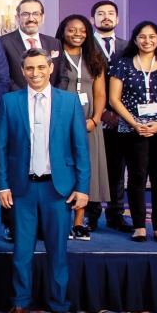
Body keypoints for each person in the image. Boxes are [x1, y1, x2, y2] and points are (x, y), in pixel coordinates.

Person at [0, 48, 89, 313]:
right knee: (22, 251)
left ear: (50, 68)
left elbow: (81, 149)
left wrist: (83, 188)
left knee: (57, 251)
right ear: (22, 71)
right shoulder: (10, 102)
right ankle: (21, 304)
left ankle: (59, 308)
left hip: (57, 188)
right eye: (29, 69)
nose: (35, 73)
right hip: (22, 188)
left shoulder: (69, 102)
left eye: (40, 67)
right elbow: (1, 147)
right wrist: (2, 185)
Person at [108, 21, 157, 243]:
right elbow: (114, 98)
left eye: (152, 36)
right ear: (135, 40)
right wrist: (134, 123)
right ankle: (139, 226)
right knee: (136, 177)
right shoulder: (122, 64)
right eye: (142, 36)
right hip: (133, 128)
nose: (147, 40)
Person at [54, 14, 110, 240]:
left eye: (82, 31)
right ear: (63, 32)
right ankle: (60, 221)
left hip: (89, 122)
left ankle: (79, 222)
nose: (77, 34)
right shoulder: (55, 56)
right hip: (60, 121)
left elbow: (100, 93)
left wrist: (95, 119)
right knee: (61, 170)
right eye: (72, 30)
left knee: (85, 171)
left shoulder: (93, 58)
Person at [90, 0, 133, 232]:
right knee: (93, 167)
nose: (105, 17)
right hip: (94, 117)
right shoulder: (85, 46)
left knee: (118, 169)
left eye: (110, 14)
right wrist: (102, 112)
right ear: (92, 19)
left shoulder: (129, 47)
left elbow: (134, 83)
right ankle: (91, 214)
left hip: (121, 118)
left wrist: (117, 112)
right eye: (100, 13)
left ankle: (116, 215)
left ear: (117, 19)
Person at [0, 0, 62, 90]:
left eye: (36, 14)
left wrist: (54, 97)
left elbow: (63, 76)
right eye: (25, 14)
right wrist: (26, 96)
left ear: (43, 17)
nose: (31, 19)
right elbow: (3, 77)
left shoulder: (54, 43)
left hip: (51, 101)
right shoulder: (2, 43)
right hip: (18, 100)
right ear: (17, 18)